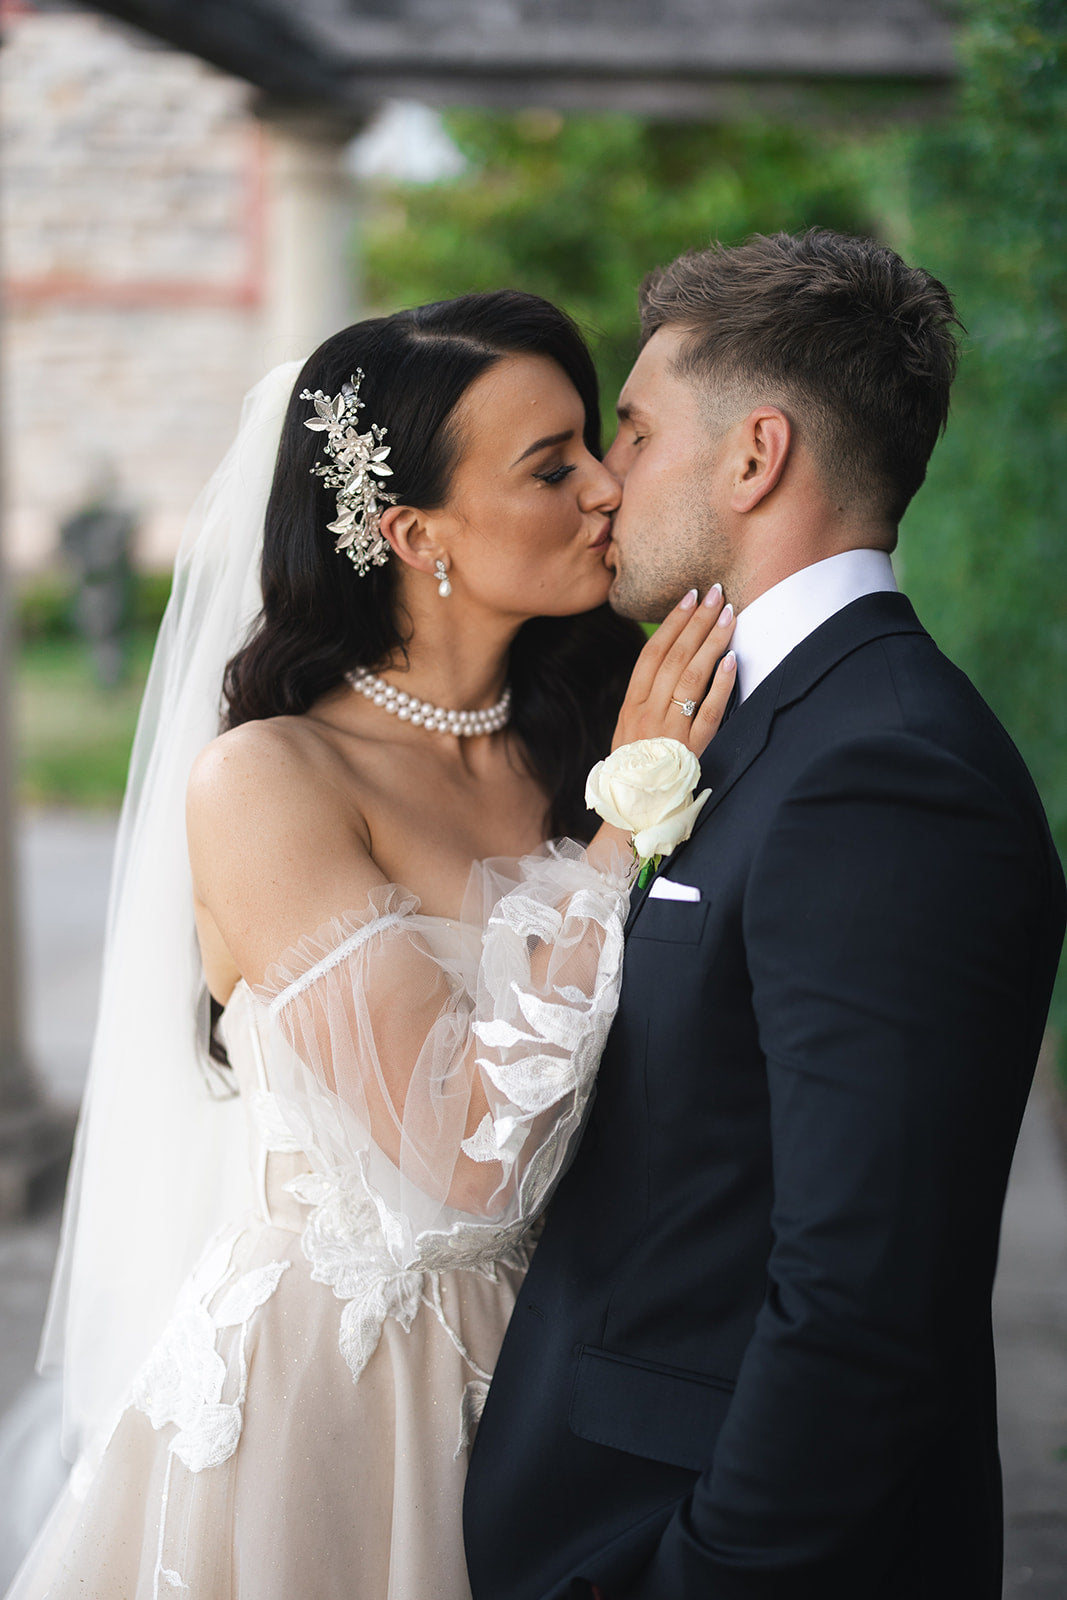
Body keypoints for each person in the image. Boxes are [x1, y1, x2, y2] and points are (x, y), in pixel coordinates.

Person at [6, 291, 738, 1600]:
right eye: (550, 463)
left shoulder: (595, 730)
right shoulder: (270, 781)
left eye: (596, 444)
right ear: (412, 532)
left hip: (580, 1362)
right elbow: (459, 1153)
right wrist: (625, 828)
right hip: (340, 1402)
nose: (606, 489)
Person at [463, 231, 1067, 1600]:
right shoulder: (763, 718)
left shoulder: (887, 772)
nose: (606, 481)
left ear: (756, 457)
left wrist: (698, 1576)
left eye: (633, 429)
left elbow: (863, 1300)